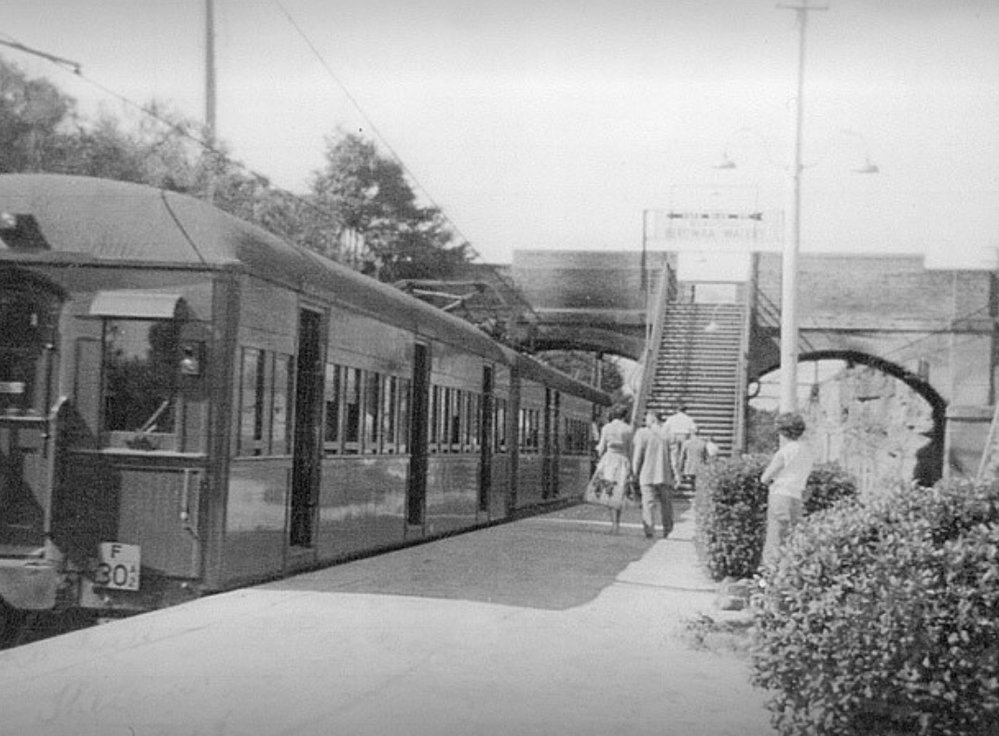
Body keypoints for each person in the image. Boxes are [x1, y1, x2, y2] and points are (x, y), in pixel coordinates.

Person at [760, 412, 815, 569]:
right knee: (791, 539)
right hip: (797, 497)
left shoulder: (785, 451)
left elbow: (765, 478)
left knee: (775, 538)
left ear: (782, 431)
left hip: (780, 495)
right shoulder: (806, 451)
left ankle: (769, 575)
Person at [584, 405, 634, 534]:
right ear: (625, 415)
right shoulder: (628, 429)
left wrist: (597, 453)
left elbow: (601, 447)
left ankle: (613, 524)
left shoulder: (606, 428)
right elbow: (630, 450)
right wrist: (631, 466)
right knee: (619, 492)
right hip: (622, 461)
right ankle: (617, 524)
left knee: (609, 491)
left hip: (608, 461)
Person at [631, 410, 674, 539]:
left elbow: (638, 455)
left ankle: (649, 530)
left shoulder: (642, 433)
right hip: (664, 474)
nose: (646, 421)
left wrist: (634, 472)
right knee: (666, 504)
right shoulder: (668, 434)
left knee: (648, 504)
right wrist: (676, 473)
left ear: (654, 419)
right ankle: (667, 530)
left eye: (647, 419)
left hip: (647, 473)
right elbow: (674, 457)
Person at [661, 403, 697, 479]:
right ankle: (682, 471)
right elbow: (694, 430)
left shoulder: (671, 418)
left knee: (674, 456)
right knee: (683, 455)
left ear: (677, 410)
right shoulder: (689, 419)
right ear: (685, 410)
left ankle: (676, 474)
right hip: (684, 436)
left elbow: (664, 429)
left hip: (673, 435)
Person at [678, 428, 710, 495]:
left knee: (690, 480)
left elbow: (682, 456)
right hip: (699, 465)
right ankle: (695, 492)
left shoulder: (686, 443)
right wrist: (706, 465)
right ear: (698, 433)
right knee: (697, 480)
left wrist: (680, 467)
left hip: (689, 465)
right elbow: (706, 456)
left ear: (691, 433)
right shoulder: (703, 443)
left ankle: (691, 491)